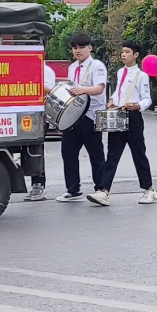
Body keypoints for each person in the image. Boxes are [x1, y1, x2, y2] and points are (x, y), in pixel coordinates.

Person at [89, 40, 157, 206]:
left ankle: (149, 189)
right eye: (122, 52)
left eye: (127, 52)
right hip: (118, 114)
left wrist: (137, 106)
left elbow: (147, 99)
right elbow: (119, 91)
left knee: (138, 154)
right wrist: (112, 100)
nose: (123, 55)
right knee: (112, 154)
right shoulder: (120, 72)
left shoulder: (142, 76)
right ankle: (104, 191)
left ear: (136, 55)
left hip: (133, 116)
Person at [56, 33, 108, 202]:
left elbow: (99, 88)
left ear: (90, 48)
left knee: (96, 154)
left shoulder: (97, 66)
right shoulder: (72, 67)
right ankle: (73, 189)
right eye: (74, 48)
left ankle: (101, 189)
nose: (77, 51)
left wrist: (83, 90)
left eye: (81, 47)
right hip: (74, 115)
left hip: (92, 115)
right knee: (68, 152)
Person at [24, 64, 57, 201]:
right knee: (27, 150)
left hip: (39, 115)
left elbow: (49, 91)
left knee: (36, 149)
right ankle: (34, 184)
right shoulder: (23, 68)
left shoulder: (46, 71)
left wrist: (31, 82)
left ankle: (39, 184)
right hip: (25, 114)